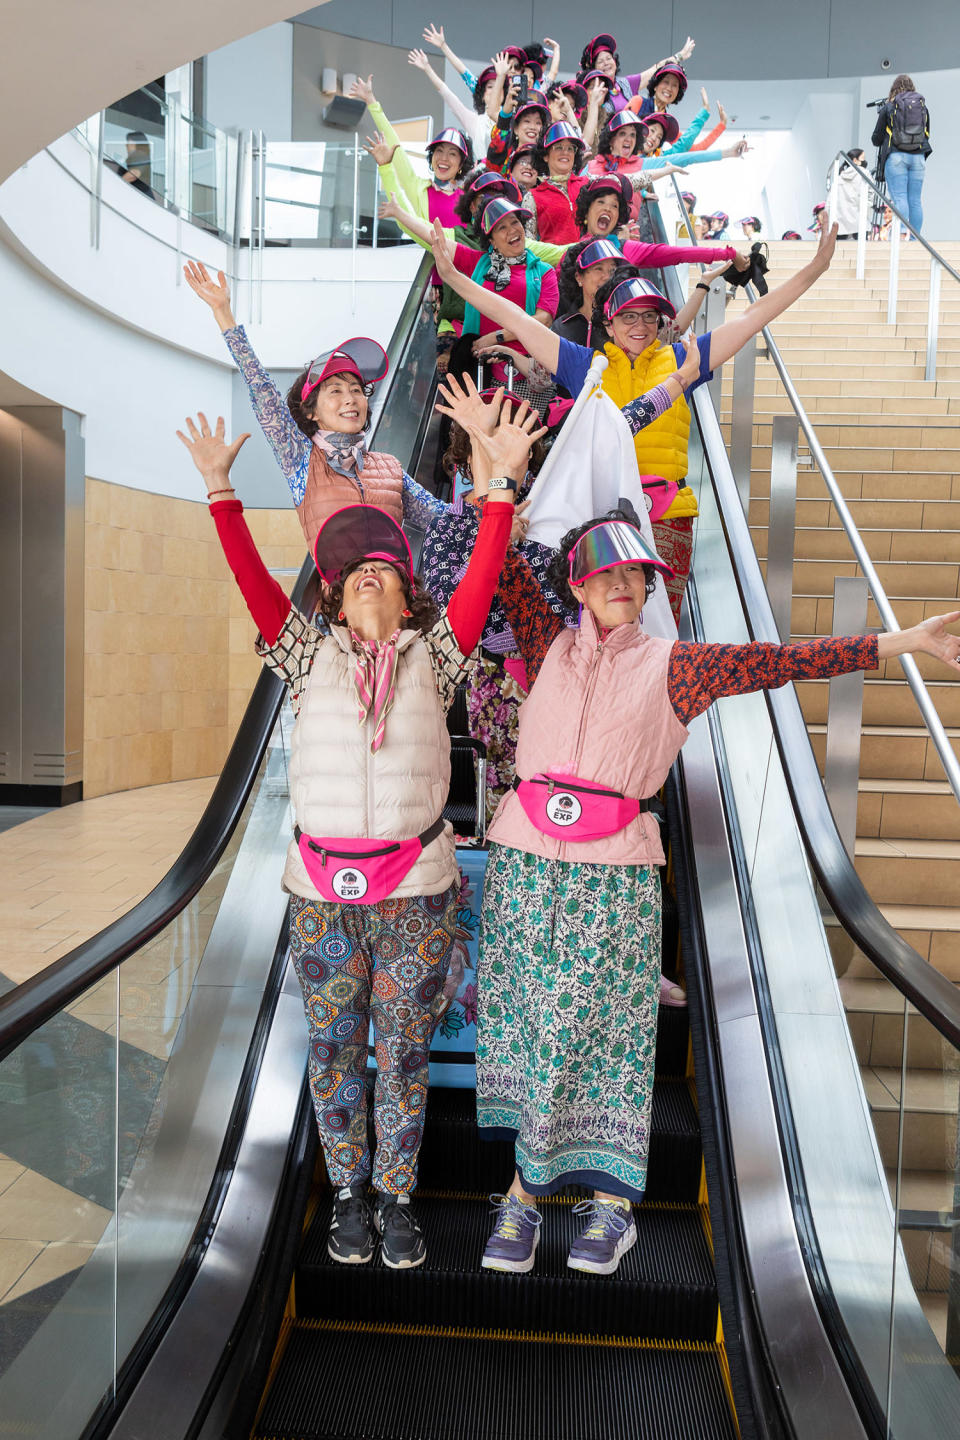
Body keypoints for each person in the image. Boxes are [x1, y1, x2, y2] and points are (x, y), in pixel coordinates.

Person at [474, 506, 960, 1274]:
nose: (625, 585)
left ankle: (603, 1206)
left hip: (613, 874)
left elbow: (784, 661)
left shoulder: (675, 664)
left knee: (604, 1033)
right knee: (529, 1027)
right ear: (577, 586)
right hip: (526, 866)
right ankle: (526, 1199)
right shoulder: (548, 643)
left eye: (636, 575)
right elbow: (498, 569)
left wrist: (902, 641)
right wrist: (491, 480)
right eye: (607, 575)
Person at [177, 399, 540, 1269]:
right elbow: (258, 589)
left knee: (405, 1052)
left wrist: (497, 488)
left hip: (415, 892)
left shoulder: (438, 654)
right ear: (334, 600)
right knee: (335, 1047)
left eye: (381, 561)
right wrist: (223, 492)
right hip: (321, 897)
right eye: (349, 570)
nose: (364, 571)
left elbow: (485, 576)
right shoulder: (307, 657)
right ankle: (346, 1192)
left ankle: (398, 1198)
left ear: (406, 588)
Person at [428, 219, 841, 620]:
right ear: (608, 322)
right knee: (600, 629)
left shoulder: (683, 358)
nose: (640, 325)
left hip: (665, 515)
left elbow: (753, 319)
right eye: (628, 315)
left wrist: (815, 269)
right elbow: (515, 319)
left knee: (659, 637)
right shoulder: (585, 364)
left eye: (649, 316)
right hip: (595, 513)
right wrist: (455, 277)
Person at [182, 263, 447, 551]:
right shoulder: (299, 460)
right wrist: (224, 314)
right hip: (338, 596)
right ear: (311, 411)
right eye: (335, 390)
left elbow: (445, 520)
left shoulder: (390, 468)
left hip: (396, 594)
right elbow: (262, 391)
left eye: (356, 390)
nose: (350, 398)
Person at [580, 33, 696, 117]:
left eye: (609, 58)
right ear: (593, 68)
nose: (606, 63)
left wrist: (679, 56)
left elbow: (655, 69)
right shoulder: (589, 92)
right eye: (600, 61)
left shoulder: (626, 83)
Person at [872, 75, 931, 236]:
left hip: (896, 157)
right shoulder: (922, 108)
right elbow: (927, 134)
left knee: (899, 198)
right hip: (918, 158)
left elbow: (876, 139)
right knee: (915, 200)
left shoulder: (889, 107)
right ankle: (914, 238)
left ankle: (902, 234)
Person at [528, 122, 589, 243]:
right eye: (559, 147)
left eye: (570, 148)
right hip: (553, 262)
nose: (565, 152)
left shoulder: (588, 184)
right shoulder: (532, 197)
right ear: (546, 155)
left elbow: (624, 181)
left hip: (588, 260)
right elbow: (529, 245)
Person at [834, 149, 869, 239]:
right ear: (855, 160)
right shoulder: (864, 173)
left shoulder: (840, 176)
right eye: (863, 158)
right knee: (862, 244)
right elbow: (871, 193)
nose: (865, 161)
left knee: (838, 245)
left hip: (841, 218)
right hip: (859, 215)